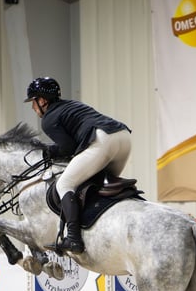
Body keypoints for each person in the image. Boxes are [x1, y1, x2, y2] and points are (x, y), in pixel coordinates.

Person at [24, 76, 132, 254]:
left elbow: (69, 147)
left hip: (102, 140)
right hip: (123, 137)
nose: (32, 107)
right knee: (101, 185)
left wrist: (49, 151)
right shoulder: (72, 104)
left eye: (33, 101)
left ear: (42, 100)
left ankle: (74, 239)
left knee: (64, 184)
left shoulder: (49, 119)